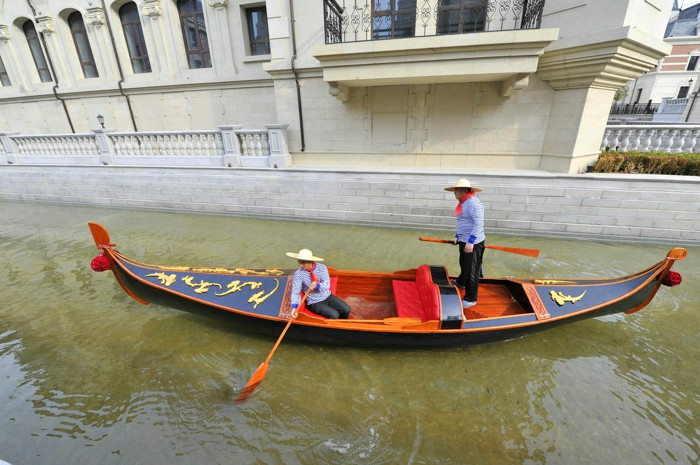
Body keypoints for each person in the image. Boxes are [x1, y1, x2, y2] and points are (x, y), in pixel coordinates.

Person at [444, 178, 485, 308]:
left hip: (473, 242)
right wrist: (457, 236)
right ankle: (461, 282)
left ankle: (471, 299)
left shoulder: (473, 203)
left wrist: (471, 241)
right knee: (464, 264)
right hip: (464, 240)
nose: (454, 193)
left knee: (472, 269)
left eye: (456, 190)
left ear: (464, 190)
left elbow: (478, 223)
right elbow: (463, 222)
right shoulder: (464, 202)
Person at [286, 248, 351, 319]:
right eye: (299, 262)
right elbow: (295, 292)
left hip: (327, 296)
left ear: (310, 261)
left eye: (303, 262)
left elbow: (327, 285)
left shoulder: (322, 268)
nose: (301, 265)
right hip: (313, 302)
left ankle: (342, 323)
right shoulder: (298, 274)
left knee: (346, 309)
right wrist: (294, 307)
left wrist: (317, 286)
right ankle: (334, 324)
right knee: (334, 315)